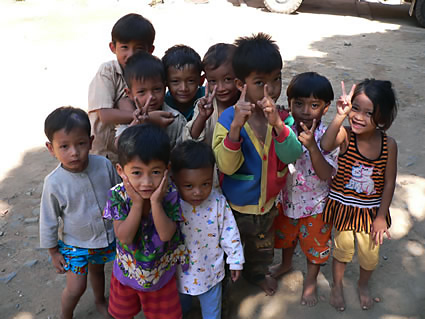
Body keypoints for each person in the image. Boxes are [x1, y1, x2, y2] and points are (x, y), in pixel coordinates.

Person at [212, 33, 303, 295]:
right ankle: (227, 280)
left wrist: (277, 125)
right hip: (236, 206)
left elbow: (291, 155)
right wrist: (235, 131)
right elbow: (226, 166)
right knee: (233, 245)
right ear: (241, 84)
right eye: (260, 82)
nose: (271, 89)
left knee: (263, 245)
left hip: (268, 204)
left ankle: (257, 273)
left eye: (276, 79)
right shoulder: (228, 119)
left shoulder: (282, 118)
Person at [321, 79, 398, 311]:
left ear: (382, 119)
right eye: (356, 108)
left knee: (370, 256)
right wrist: (340, 116)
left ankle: (363, 285)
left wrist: (382, 216)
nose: (358, 117)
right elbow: (325, 145)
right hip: (344, 208)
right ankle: (336, 285)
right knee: (342, 251)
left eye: (368, 113)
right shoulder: (345, 135)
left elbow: (389, 182)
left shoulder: (389, 145)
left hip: (371, 211)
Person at [39, 106, 120, 319]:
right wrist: (53, 252)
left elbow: (118, 195)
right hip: (76, 244)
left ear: (91, 141)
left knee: (98, 271)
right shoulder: (54, 183)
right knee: (76, 288)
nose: (74, 152)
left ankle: (100, 300)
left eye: (81, 144)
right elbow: (48, 220)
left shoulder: (103, 165)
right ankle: (66, 315)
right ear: (51, 148)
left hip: (103, 238)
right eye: (64, 146)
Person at [103, 123, 189, 319]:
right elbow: (124, 237)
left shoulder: (170, 194)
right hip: (126, 274)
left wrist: (156, 203)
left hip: (161, 275)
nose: (147, 182)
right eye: (137, 173)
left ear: (167, 170)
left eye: (156, 172)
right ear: (120, 170)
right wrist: (137, 204)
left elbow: (167, 234)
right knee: (121, 315)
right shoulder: (117, 195)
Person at [270, 72, 339, 306]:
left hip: (316, 206)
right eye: (298, 103)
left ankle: (310, 283)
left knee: (315, 247)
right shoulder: (285, 128)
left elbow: (325, 174)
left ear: (326, 108)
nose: (306, 110)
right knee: (287, 239)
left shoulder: (327, 136)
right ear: (289, 104)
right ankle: (286, 264)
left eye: (314, 105)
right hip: (287, 200)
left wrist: (311, 147)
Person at [171, 140, 244, 319]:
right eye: (189, 186)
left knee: (212, 312)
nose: (198, 192)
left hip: (211, 272)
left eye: (205, 183)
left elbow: (230, 232)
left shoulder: (217, 202)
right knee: (181, 308)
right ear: (174, 179)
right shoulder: (170, 203)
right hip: (178, 273)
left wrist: (235, 260)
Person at [88, 13, 155, 163]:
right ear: (113, 47)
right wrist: (145, 117)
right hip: (103, 154)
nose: (130, 55)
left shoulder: (151, 72)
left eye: (138, 49)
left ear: (150, 50)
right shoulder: (108, 72)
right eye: (124, 47)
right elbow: (104, 115)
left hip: (133, 155)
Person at [115, 51, 187, 149]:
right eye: (142, 92)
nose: (151, 97)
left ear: (165, 87)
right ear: (129, 94)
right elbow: (118, 145)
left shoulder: (176, 119)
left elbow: (182, 153)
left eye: (157, 89)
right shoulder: (129, 118)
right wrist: (137, 123)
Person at [183, 43, 239, 145]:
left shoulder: (247, 105)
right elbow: (189, 140)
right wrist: (202, 117)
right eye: (213, 81)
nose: (221, 88)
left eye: (227, 79)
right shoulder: (204, 105)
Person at [162, 45, 205, 121]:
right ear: (165, 83)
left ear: (201, 81)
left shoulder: (207, 98)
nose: (184, 88)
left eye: (191, 81)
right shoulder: (163, 103)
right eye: (175, 81)